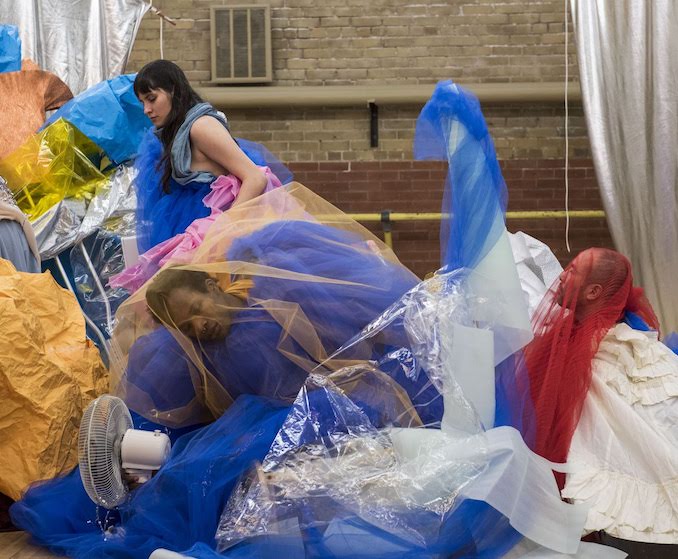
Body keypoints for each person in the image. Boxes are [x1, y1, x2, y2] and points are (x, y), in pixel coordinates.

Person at [515, 247, 678, 553]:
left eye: (572, 271)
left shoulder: (605, 352)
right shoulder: (578, 344)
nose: (561, 276)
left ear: (593, 291)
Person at [110, 60, 289, 292]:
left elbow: (255, 177)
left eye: (152, 98)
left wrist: (222, 234)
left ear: (173, 90)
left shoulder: (201, 127)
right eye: (142, 102)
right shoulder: (176, 133)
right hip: (196, 228)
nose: (146, 110)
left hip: (218, 234)